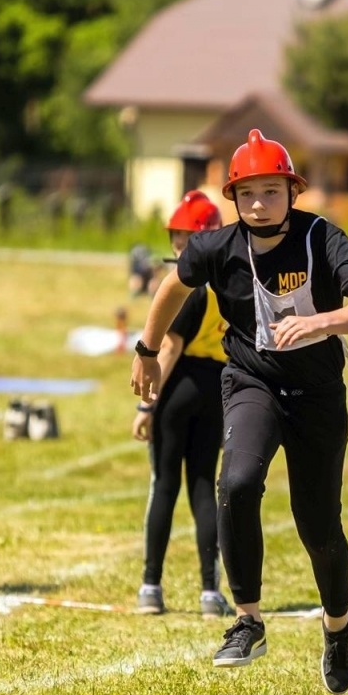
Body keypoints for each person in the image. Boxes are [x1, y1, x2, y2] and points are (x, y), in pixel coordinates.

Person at [130, 129, 348, 694]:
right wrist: (147, 351)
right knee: (237, 482)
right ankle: (247, 619)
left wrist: (322, 322)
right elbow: (171, 287)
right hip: (252, 383)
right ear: (232, 197)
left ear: (292, 192)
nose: (258, 203)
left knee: (318, 524)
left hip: (318, 395)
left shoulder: (322, 237)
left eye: (271, 191)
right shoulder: (217, 247)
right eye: (246, 193)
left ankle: (338, 624)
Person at [133, 189, 235, 619]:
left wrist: (146, 407)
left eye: (182, 237)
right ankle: (210, 593)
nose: (177, 246)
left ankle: (151, 586)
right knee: (202, 487)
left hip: (178, 388)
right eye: (175, 237)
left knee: (165, 486)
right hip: (216, 386)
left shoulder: (185, 285)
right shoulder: (230, 280)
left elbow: (169, 348)